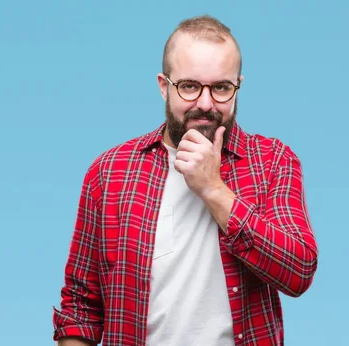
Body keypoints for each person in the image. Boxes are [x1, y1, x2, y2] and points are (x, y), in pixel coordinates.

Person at [52, 14, 318, 346]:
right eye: (189, 86)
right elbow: (81, 307)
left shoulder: (272, 161)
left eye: (221, 88)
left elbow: (298, 272)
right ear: (164, 86)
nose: (205, 104)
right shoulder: (109, 173)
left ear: (237, 87)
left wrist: (213, 189)